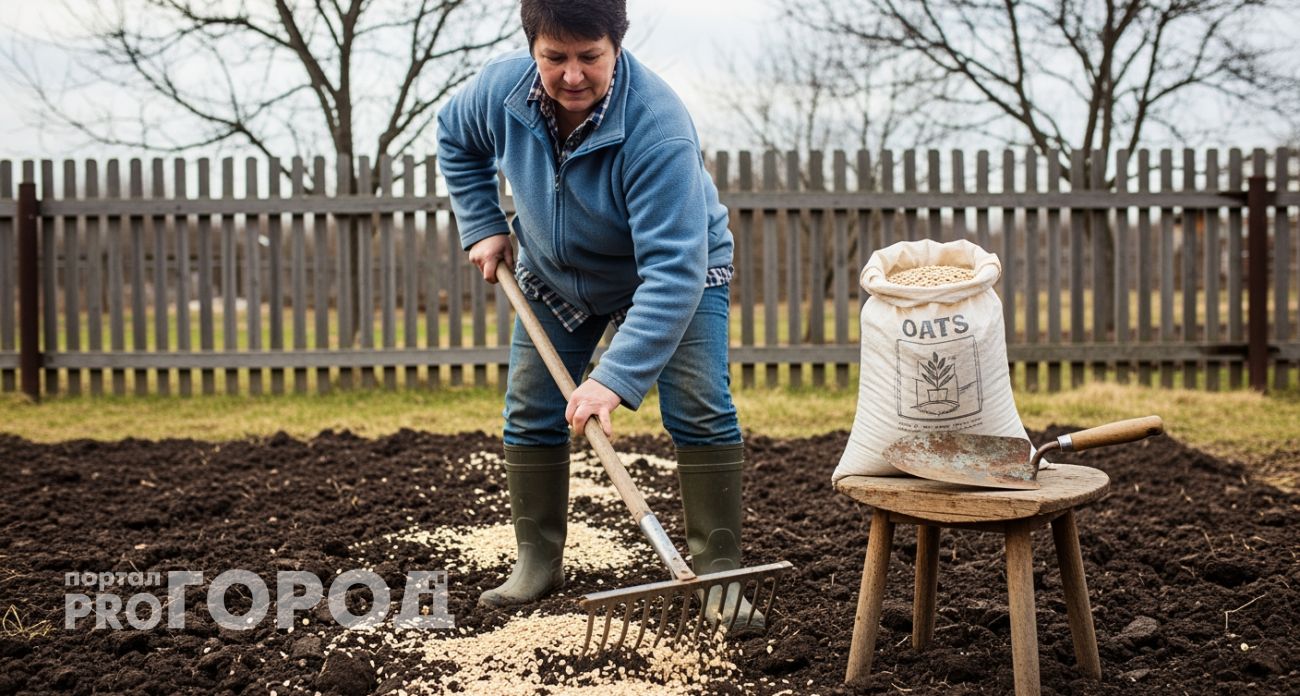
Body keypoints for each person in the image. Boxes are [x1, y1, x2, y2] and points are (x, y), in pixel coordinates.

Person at [436, 0, 761, 629]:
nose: (573, 75)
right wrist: (481, 223)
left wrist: (612, 380)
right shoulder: (500, 92)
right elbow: (454, 135)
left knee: (699, 405)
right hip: (554, 275)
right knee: (531, 408)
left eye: (591, 57)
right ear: (532, 48)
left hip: (673, 271)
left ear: (618, 44)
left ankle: (719, 574)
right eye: (555, 58)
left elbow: (674, 271)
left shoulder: (656, 125)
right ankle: (537, 562)